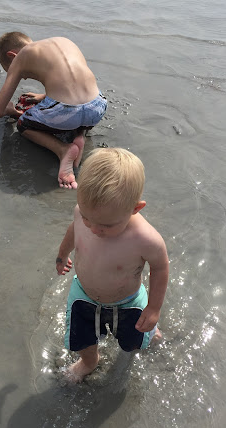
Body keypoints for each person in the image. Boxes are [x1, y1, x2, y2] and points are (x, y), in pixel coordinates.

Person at [55, 148, 169, 382]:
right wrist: (62, 254)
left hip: (127, 302)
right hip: (84, 295)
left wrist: (153, 308)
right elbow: (73, 230)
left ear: (135, 209)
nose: (94, 229)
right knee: (82, 339)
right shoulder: (82, 214)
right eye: (87, 218)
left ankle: (150, 332)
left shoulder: (145, 239)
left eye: (106, 225)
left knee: (133, 343)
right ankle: (89, 362)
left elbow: (160, 267)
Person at [0, 32, 107, 189]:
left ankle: (63, 150)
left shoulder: (22, 56)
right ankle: (79, 134)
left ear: (12, 56)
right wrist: (44, 97)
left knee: (24, 124)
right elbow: (74, 81)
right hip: (97, 106)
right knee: (79, 111)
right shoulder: (64, 41)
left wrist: (11, 111)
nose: (24, 78)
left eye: (9, 69)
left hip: (66, 112)